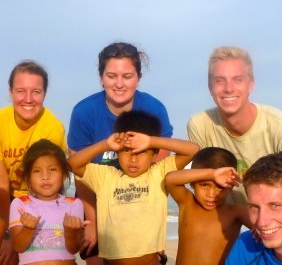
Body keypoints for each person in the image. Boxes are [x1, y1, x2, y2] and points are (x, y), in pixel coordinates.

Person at [67, 42, 174, 262]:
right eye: (111, 76)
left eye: (127, 76)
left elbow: (159, 176)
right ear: (101, 78)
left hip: (138, 202)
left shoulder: (155, 109)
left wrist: (154, 231)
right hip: (94, 197)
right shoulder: (84, 112)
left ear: (138, 78)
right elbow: (79, 173)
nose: (119, 84)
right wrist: (93, 223)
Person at [68, 110, 199, 264]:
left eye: (142, 152)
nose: (133, 159)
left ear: (155, 155)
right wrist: (106, 144)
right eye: (126, 150)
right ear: (117, 151)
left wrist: (151, 141)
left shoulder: (159, 173)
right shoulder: (105, 176)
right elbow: (72, 164)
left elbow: (192, 150)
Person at [187, 46, 282, 205]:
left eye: (237, 79)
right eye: (220, 81)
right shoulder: (200, 124)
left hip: (273, 220)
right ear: (210, 87)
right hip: (229, 220)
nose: (229, 88)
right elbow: (200, 184)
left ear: (250, 85)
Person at [0, 60, 67, 265]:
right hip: (2, 196)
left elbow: (51, 183)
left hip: (38, 196)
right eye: (20, 91)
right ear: (10, 92)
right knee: (0, 253)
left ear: (44, 94)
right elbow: (0, 183)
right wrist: (9, 233)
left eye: (36, 91)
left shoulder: (53, 129)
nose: (28, 99)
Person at [164, 147, 251, 264]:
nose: (212, 194)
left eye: (220, 187)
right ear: (192, 183)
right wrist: (212, 174)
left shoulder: (235, 213)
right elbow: (170, 179)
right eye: (204, 185)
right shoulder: (188, 204)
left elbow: (265, 227)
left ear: (230, 186)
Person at [8, 139, 86, 265]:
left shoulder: (74, 204)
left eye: (53, 169)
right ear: (28, 178)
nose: (45, 176)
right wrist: (28, 229)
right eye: (37, 171)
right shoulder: (20, 204)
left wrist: (70, 231)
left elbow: (74, 249)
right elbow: (18, 247)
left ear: (64, 175)